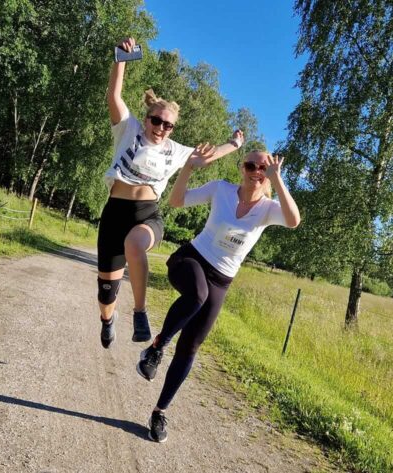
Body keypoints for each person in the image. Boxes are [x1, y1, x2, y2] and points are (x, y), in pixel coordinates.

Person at [135, 151, 301, 442]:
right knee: (197, 295)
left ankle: (159, 411)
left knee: (191, 346)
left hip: (222, 280)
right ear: (241, 168)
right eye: (250, 165)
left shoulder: (268, 209)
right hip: (191, 260)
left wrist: (278, 180)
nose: (256, 171)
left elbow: (293, 220)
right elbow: (177, 200)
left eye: (263, 168)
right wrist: (188, 167)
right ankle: (157, 347)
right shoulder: (220, 189)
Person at [98, 37, 245, 349]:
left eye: (168, 126)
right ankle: (107, 319)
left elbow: (206, 156)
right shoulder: (127, 129)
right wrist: (121, 58)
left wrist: (234, 144)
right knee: (106, 293)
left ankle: (140, 313)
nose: (161, 128)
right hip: (114, 213)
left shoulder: (175, 151)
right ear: (147, 118)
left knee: (135, 245)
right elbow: (114, 95)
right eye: (157, 121)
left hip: (147, 215)